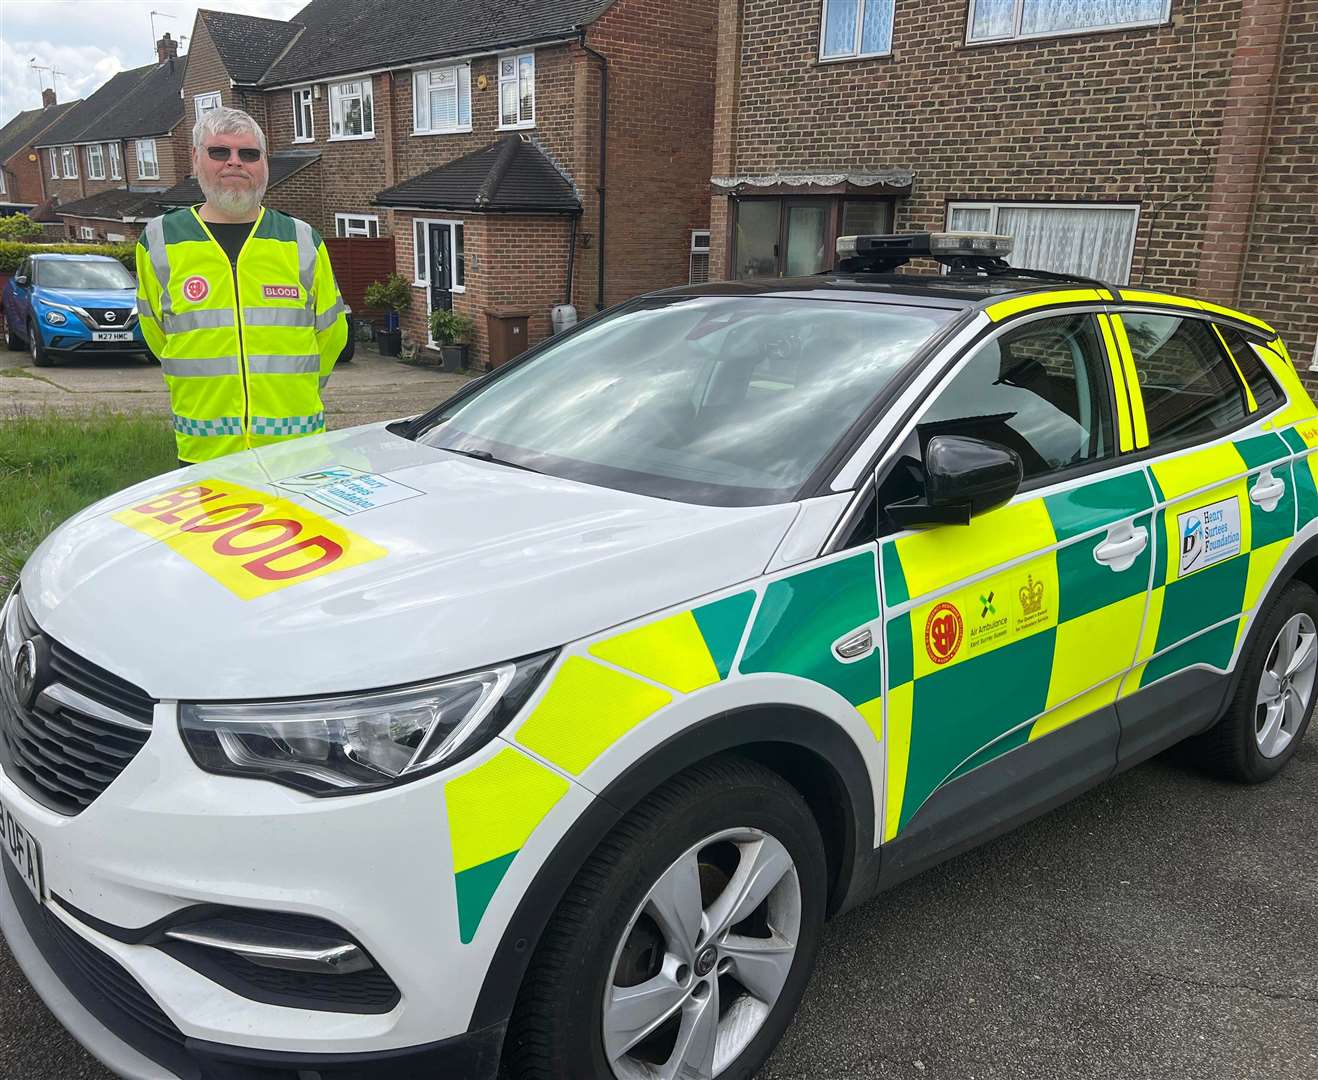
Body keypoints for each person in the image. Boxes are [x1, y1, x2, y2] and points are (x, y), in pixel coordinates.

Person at [135, 107, 348, 467]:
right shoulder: (159, 240)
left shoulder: (301, 239)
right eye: (220, 152)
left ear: (264, 164)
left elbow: (331, 334)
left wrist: (295, 392)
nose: (235, 163)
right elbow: (156, 332)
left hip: (296, 450)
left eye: (248, 154)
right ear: (196, 159)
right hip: (203, 452)